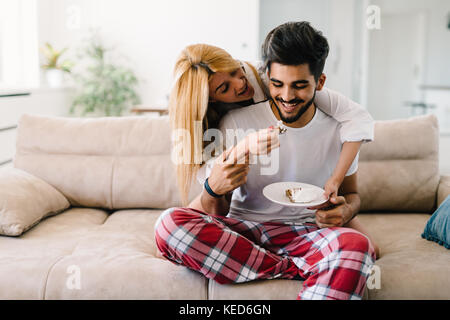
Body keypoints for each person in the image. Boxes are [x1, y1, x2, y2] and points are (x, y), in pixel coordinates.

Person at [155, 22, 377, 300]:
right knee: (169, 224)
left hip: (305, 233)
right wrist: (223, 176)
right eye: (277, 84)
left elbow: (351, 194)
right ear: (267, 77)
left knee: (357, 246)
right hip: (245, 232)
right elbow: (215, 209)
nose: (287, 96)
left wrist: (345, 212)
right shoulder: (233, 121)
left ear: (319, 84)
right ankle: (297, 268)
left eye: (299, 86)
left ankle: (294, 263)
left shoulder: (339, 128)